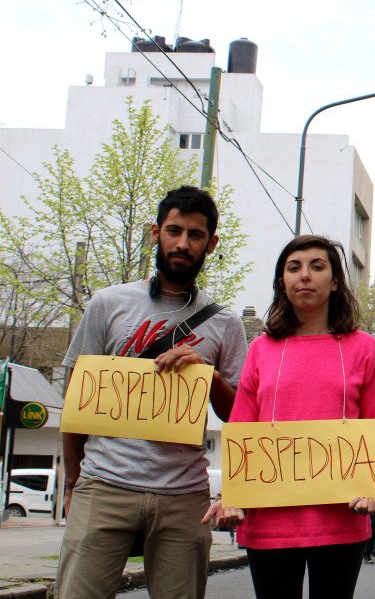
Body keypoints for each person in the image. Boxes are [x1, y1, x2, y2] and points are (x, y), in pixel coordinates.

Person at [57, 186, 248, 599]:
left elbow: (239, 416)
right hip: (103, 484)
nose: (182, 243)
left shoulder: (226, 324)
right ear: (155, 233)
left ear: (211, 244)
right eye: (174, 230)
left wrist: (208, 374)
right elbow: (76, 402)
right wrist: (74, 485)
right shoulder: (107, 304)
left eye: (195, 235)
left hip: (184, 497)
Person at [210, 235, 375, 599]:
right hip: (270, 522)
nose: (305, 275)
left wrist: (371, 486)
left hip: (341, 519)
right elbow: (243, 427)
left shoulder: (362, 347)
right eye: (294, 268)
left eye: (317, 266)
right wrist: (232, 493)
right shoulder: (261, 349)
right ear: (282, 282)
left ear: (335, 280)